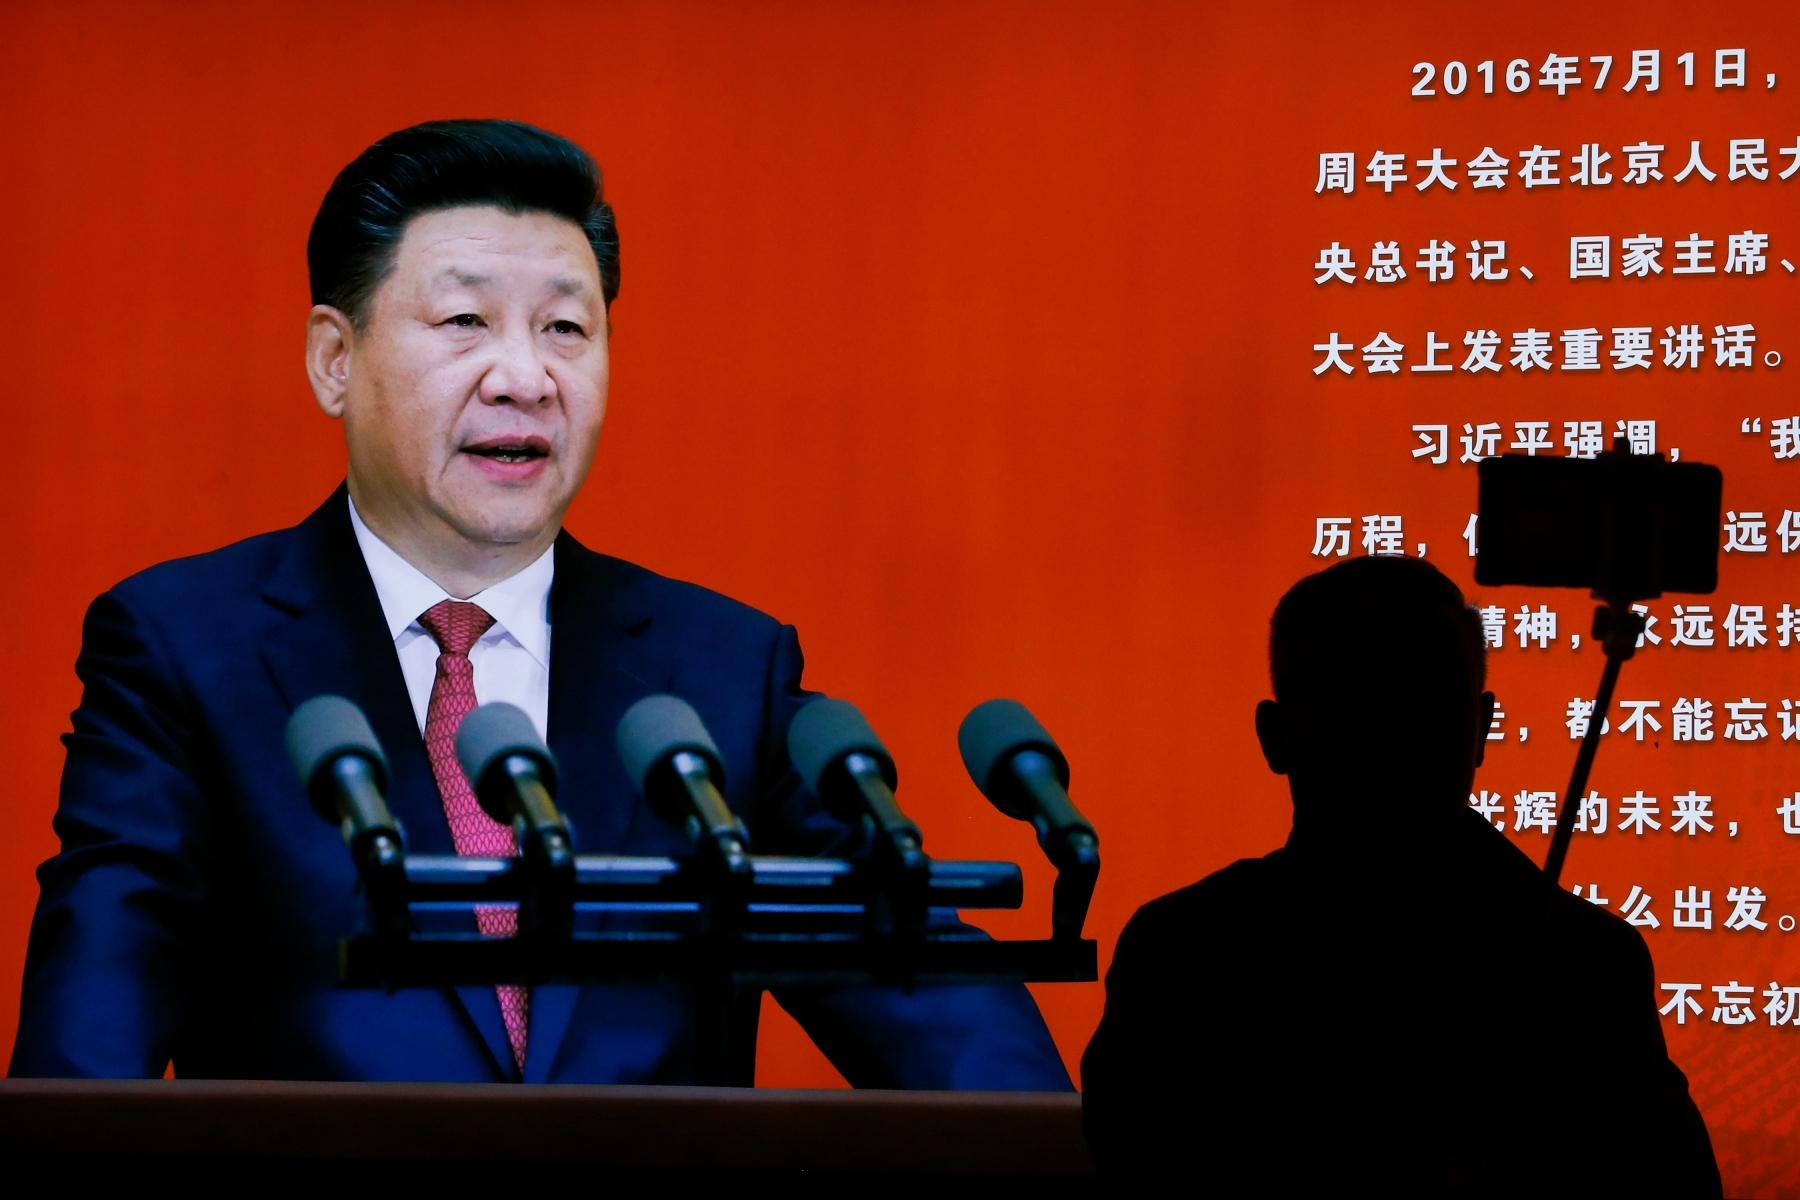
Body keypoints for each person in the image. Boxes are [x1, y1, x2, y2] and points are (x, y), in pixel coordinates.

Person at [9, 120, 1069, 1089]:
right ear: (335, 359)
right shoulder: (187, 650)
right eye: (465, 320)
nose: (525, 376)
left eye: (567, 329)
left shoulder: (717, 676)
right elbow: (94, 1022)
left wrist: (1053, 1154)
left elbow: (928, 997)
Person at [1081, 557, 1719, 1196]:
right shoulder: (1180, 958)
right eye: (1355, 698)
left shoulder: (1580, 966)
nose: (1400, 734)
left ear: (1483, 730)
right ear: (1276, 738)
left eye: (1433, 697)